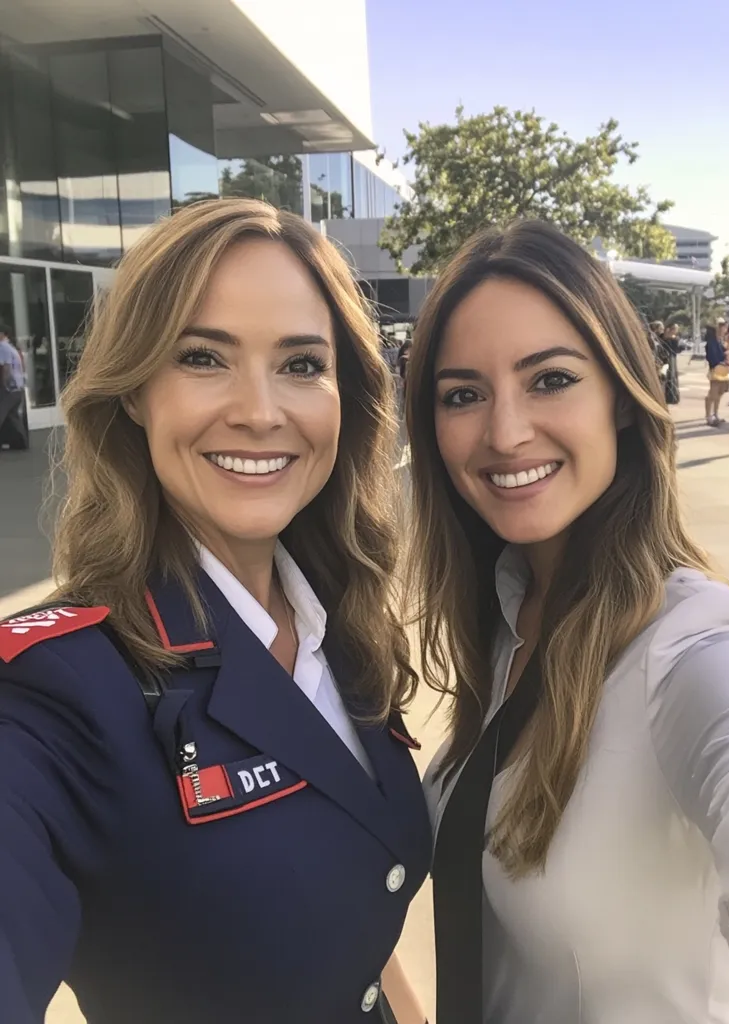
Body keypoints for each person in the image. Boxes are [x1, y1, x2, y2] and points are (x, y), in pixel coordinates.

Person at [0, 199, 431, 1024]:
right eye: (203, 357)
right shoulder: (58, 691)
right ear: (133, 392)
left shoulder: (337, 621)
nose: (260, 411)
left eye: (302, 364)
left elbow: (354, 933)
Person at [404, 220, 729, 1023]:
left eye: (551, 379)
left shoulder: (697, 648)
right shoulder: (508, 609)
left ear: (624, 398)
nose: (504, 432)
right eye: (463, 394)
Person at [0, 322, 29, 450]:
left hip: (10, 388)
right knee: (13, 416)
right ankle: (22, 443)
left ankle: (21, 442)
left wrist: (4, 384)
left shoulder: (2, 347)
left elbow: (5, 367)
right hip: (18, 387)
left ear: (3, 334)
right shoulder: (13, 348)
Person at [704, 322, 729, 426]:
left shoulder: (721, 341)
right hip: (715, 369)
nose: (724, 330)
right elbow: (711, 357)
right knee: (712, 394)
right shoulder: (711, 342)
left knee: (720, 393)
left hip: (723, 370)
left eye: (725, 328)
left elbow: (725, 353)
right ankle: (708, 416)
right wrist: (720, 362)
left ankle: (715, 414)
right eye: (722, 328)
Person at [661, 321, 682, 404]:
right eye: (675, 329)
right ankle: (666, 396)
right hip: (664, 358)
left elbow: (678, 348)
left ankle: (672, 397)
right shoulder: (663, 337)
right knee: (666, 376)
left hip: (672, 358)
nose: (676, 331)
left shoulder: (675, 339)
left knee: (672, 376)